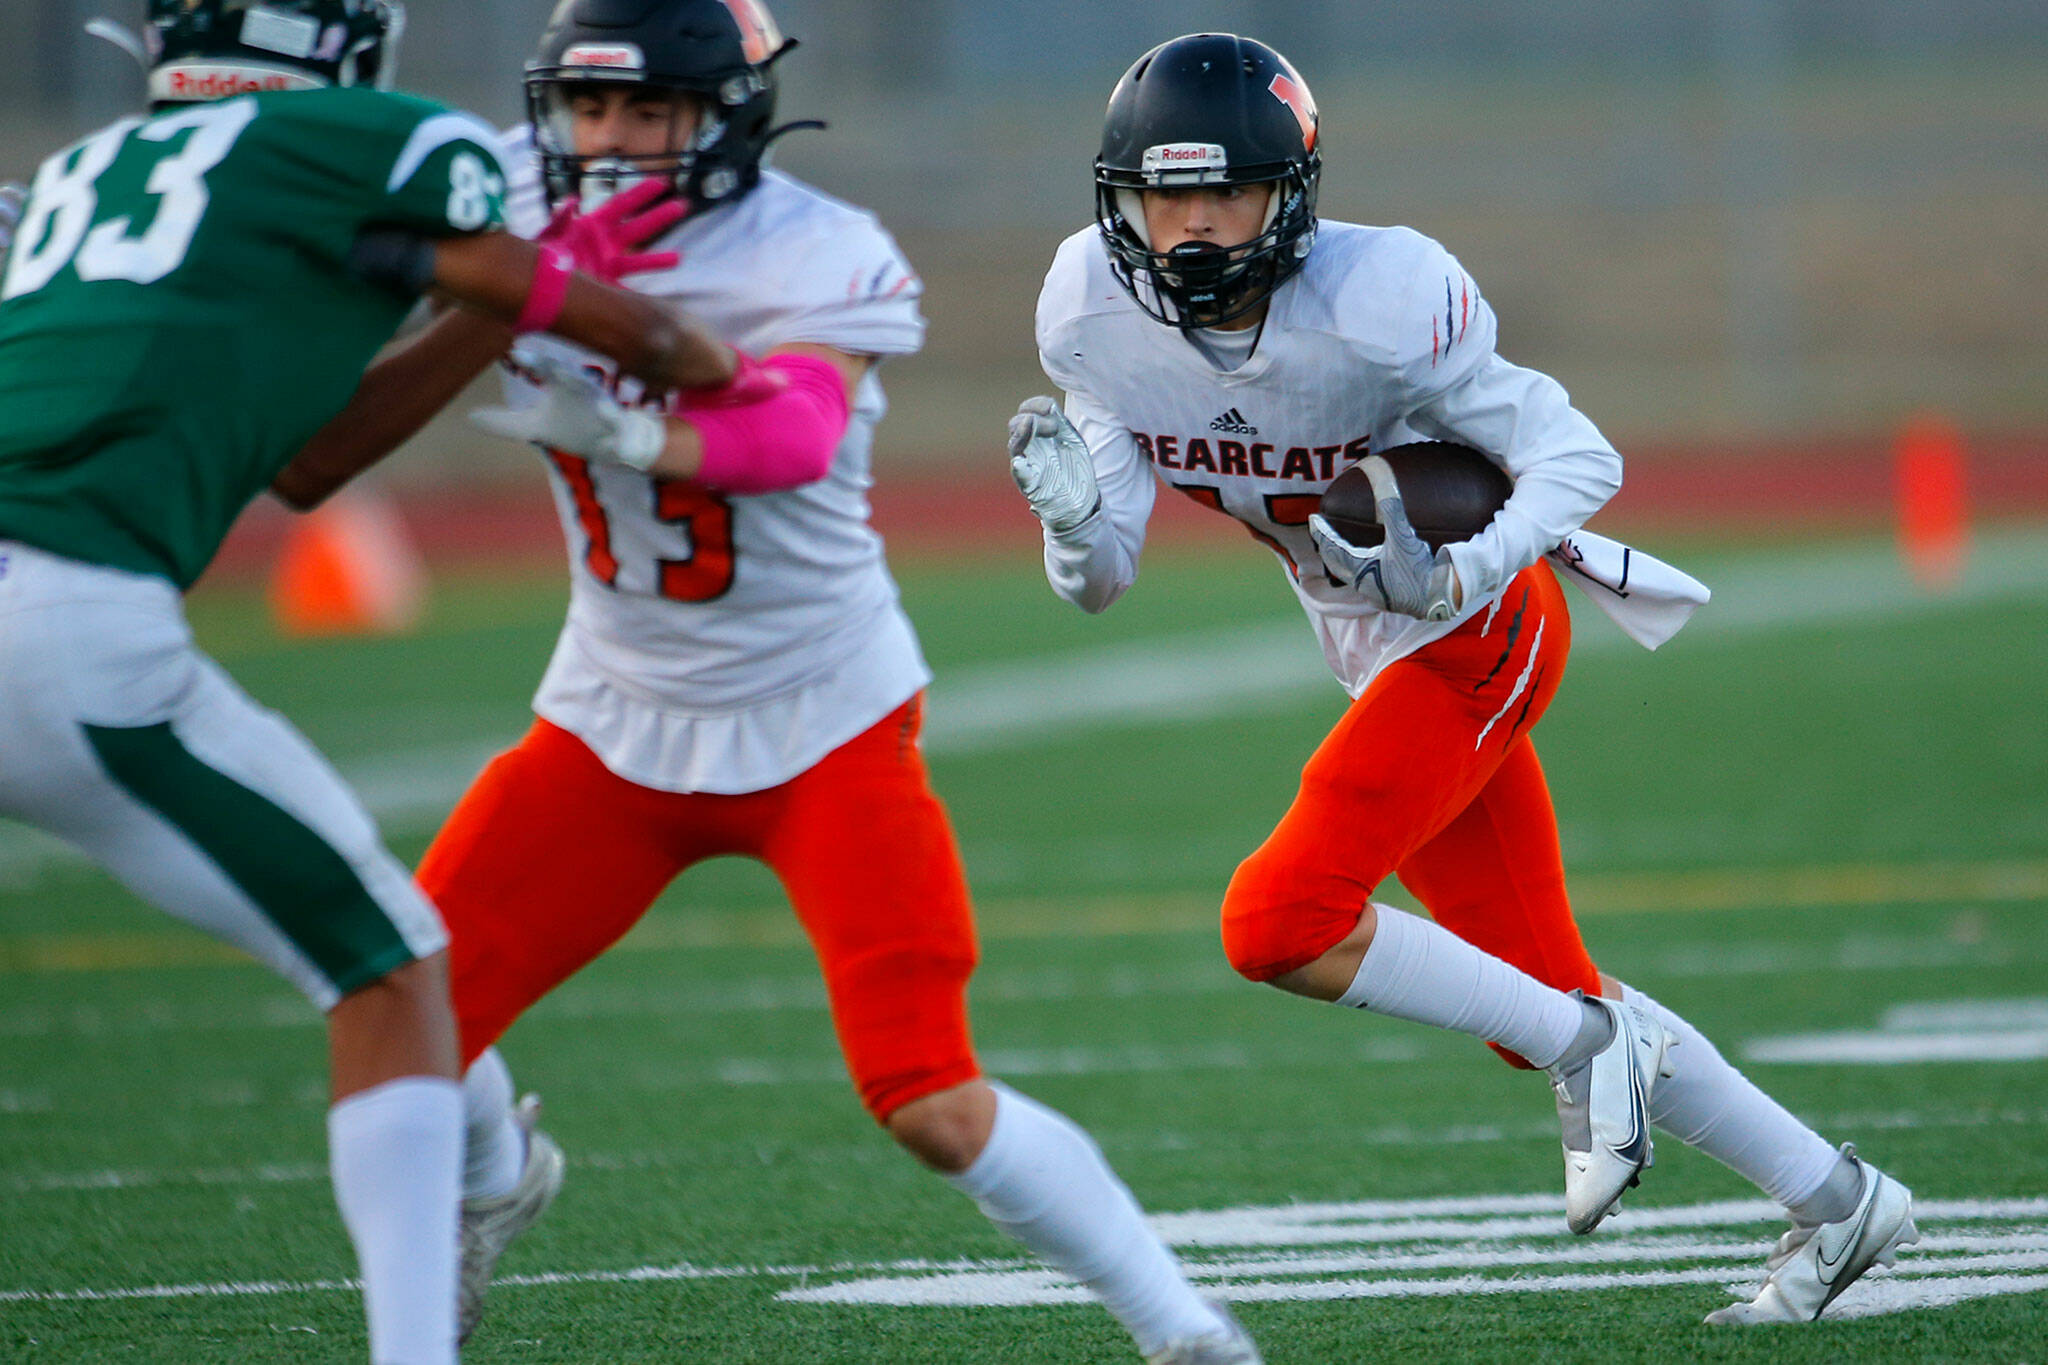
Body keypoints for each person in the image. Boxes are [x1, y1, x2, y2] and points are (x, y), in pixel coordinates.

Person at [269, 2, 1259, 1360]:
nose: (608, 142)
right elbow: (316, 441)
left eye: (647, 113)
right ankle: (491, 1180)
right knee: (396, 1013)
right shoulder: (499, 185)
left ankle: (1185, 1327)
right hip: (610, 721)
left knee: (925, 1091)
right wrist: (514, 282)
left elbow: (793, 430)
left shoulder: (813, 246)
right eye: (587, 109)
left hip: (822, 719)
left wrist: (603, 366)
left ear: (725, 115)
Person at [1008, 31, 1918, 1326]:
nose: (1195, 229)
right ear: (1122, 201)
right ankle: (1839, 1199)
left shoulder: (1378, 292)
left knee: (1279, 918)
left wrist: (1465, 567)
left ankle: (1595, 1051)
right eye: (1167, 197)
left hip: (1483, 627)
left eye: (1227, 195)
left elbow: (1575, 455)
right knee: (1535, 994)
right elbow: (1099, 577)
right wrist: (1065, 517)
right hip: (1377, 649)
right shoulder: (1090, 312)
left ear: (1292, 192)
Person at [0, 2, 748, 1361]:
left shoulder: (74, 179)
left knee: (393, 945)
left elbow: (305, 463)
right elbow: (522, 280)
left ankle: (493, 1172)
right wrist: (654, 338)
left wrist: (490, 292)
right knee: (390, 968)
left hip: (55, 605)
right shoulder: (360, 137)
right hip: (63, 624)